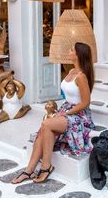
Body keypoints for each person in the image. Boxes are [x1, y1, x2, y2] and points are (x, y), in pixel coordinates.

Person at [12, 42, 95, 184]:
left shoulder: (81, 76)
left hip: (78, 115)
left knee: (46, 124)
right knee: (43, 130)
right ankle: (29, 170)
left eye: (71, 50)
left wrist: (67, 113)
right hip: (67, 109)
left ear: (78, 55)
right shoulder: (70, 72)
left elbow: (85, 102)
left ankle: (45, 166)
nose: (68, 51)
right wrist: (63, 111)